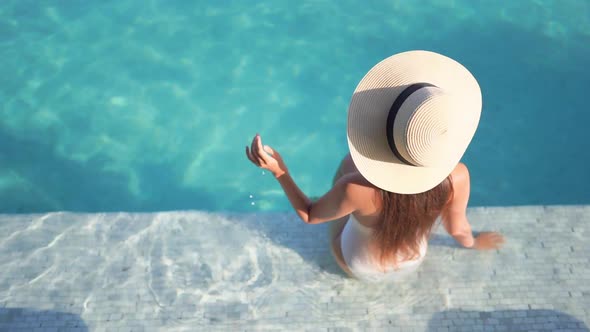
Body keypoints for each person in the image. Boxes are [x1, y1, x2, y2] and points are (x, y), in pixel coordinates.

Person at [245, 50, 504, 282]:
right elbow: (457, 228)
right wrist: (473, 243)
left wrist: (280, 172)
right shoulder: (457, 177)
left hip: (358, 266)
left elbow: (310, 216)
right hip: (410, 261)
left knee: (348, 165)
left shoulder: (355, 187)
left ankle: (332, 201)